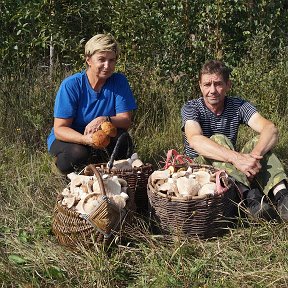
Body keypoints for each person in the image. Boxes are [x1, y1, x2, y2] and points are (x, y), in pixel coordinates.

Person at [181, 60, 288, 221]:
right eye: (207, 84)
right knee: (218, 138)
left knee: (260, 141)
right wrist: (237, 158)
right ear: (200, 86)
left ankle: (282, 197)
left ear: (228, 85)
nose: (212, 90)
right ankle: (250, 199)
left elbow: (270, 129)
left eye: (218, 84)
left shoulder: (238, 105)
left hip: (232, 167)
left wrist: (253, 157)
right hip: (200, 167)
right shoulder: (191, 108)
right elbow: (195, 140)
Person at [47, 34, 137, 174]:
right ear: (88, 60)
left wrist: (104, 119)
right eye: (101, 59)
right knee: (78, 153)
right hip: (71, 138)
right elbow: (60, 129)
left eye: (111, 60)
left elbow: (125, 120)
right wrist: (85, 139)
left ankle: (107, 172)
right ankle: (62, 169)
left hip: (101, 136)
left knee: (123, 140)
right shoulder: (72, 85)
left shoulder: (119, 81)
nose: (107, 66)